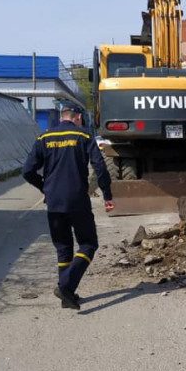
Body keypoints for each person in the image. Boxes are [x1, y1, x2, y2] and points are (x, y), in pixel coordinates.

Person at [22, 105, 114, 310]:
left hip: (54, 202)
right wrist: (107, 195)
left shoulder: (43, 138)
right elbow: (100, 167)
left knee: (63, 248)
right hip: (77, 201)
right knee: (89, 244)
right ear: (78, 117)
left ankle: (67, 294)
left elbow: (27, 171)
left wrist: (44, 187)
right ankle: (65, 287)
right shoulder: (83, 135)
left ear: (62, 117)